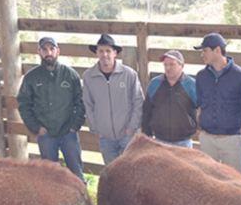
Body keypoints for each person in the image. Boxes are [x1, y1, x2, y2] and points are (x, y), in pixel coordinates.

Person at [17, 35, 85, 181]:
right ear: (39, 53)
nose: (49, 52)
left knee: (76, 173)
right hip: (46, 134)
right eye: (45, 49)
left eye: (52, 49)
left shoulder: (70, 74)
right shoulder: (31, 77)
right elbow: (23, 104)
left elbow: (81, 101)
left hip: (69, 133)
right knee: (50, 176)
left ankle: (84, 201)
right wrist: (36, 128)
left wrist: (74, 126)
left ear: (58, 51)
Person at [194, 33, 241, 174]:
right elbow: (200, 103)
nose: (202, 55)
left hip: (231, 140)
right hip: (207, 138)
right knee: (207, 182)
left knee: (236, 183)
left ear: (218, 50)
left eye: (205, 50)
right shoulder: (201, 76)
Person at [82, 34, 145, 165]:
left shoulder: (129, 74)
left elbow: (138, 102)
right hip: (104, 136)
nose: (105, 54)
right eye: (101, 51)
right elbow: (88, 104)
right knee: (111, 171)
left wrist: (132, 128)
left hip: (128, 134)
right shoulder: (89, 76)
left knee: (132, 169)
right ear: (96, 53)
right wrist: (96, 129)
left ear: (115, 53)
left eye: (108, 51)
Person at [143, 49, 198, 149]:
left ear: (182, 66)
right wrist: (147, 135)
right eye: (165, 65)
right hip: (160, 140)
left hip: (184, 141)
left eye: (172, 64)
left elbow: (203, 107)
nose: (168, 68)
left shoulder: (191, 85)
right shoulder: (155, 83)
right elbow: (147, 110)